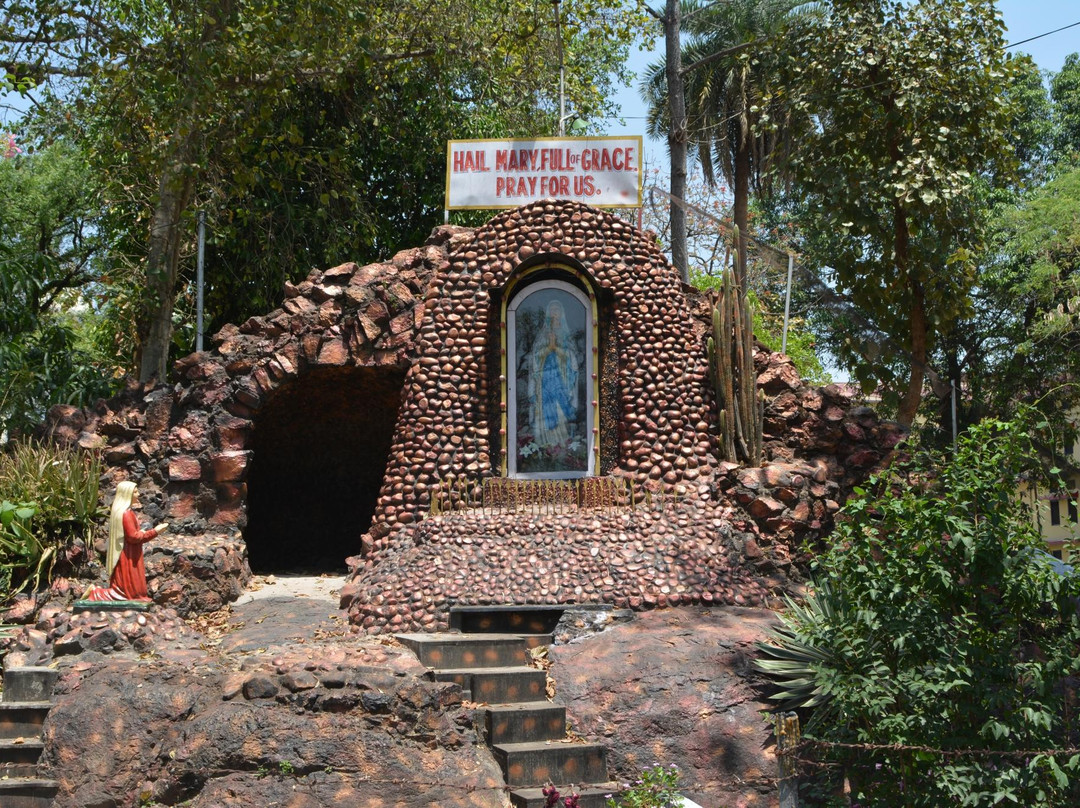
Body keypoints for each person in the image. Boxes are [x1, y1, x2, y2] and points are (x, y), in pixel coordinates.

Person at [84, 481, 168, 602]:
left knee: (130, 591)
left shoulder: (124, 511)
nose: (138, 494)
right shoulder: (126, 513)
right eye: (135, 492)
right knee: (124, 593)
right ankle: (95, 593)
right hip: (128, 554)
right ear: (127, 494)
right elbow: (133, 537)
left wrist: (142, 532)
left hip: (130, 552)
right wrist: (155, 531)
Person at [527, 298, 582, 449]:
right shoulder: (542, 335)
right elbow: (535, 358)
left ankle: (563, 447)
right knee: (545, 411)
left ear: (562, 313)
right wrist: (548, 348)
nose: (554, 312)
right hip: (545, 381)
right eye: (551, 310)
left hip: (562, 380)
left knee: (560, 411)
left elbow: (572, 358)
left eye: (557, 309)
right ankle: (546, 447)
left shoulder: (567, 334)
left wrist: (556, 348)